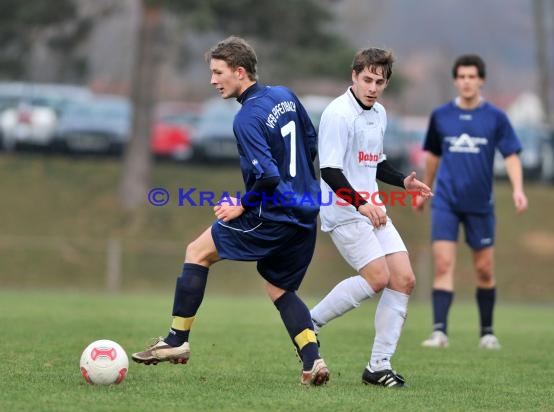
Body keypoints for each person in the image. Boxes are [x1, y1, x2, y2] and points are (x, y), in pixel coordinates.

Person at [132, 36, 330, 386]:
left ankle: (177, 340)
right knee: (279, 287)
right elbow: (311, 142)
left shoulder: (247, 118)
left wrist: (242, 204)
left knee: (197, 252)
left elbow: (268, 177)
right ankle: (312, 361)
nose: (213, 80)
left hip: (273, 214)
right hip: (306, 212)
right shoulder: (284, 95)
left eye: (218, 72)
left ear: (240, 72)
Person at [309, 47, 433, 388]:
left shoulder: (378, 113)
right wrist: (362, 204)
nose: (372, 87)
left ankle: (378, 366)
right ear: (354, 76)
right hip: (344, 210)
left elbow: (374, 161)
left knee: (404, 279)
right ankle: (309, 324)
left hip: (373, 209)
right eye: (367, 79)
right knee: (378, 277)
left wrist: (403, 181)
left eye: (379, 81)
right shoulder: (338, 114)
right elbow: (331, 171)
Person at [414, 54, 528, 350]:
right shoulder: (441, 116)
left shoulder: (496, 117)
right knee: (443, 263)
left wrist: (518, 189)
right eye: (461, 76)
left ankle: (487, 332)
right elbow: (433, 157)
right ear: (456, 80)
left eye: (471, 76)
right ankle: (439, 332)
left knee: (484, 270)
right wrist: (422, 190)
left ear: (481, 80)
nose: (466, 81)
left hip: (480, 204)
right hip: (446, 202)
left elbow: (512, 155)